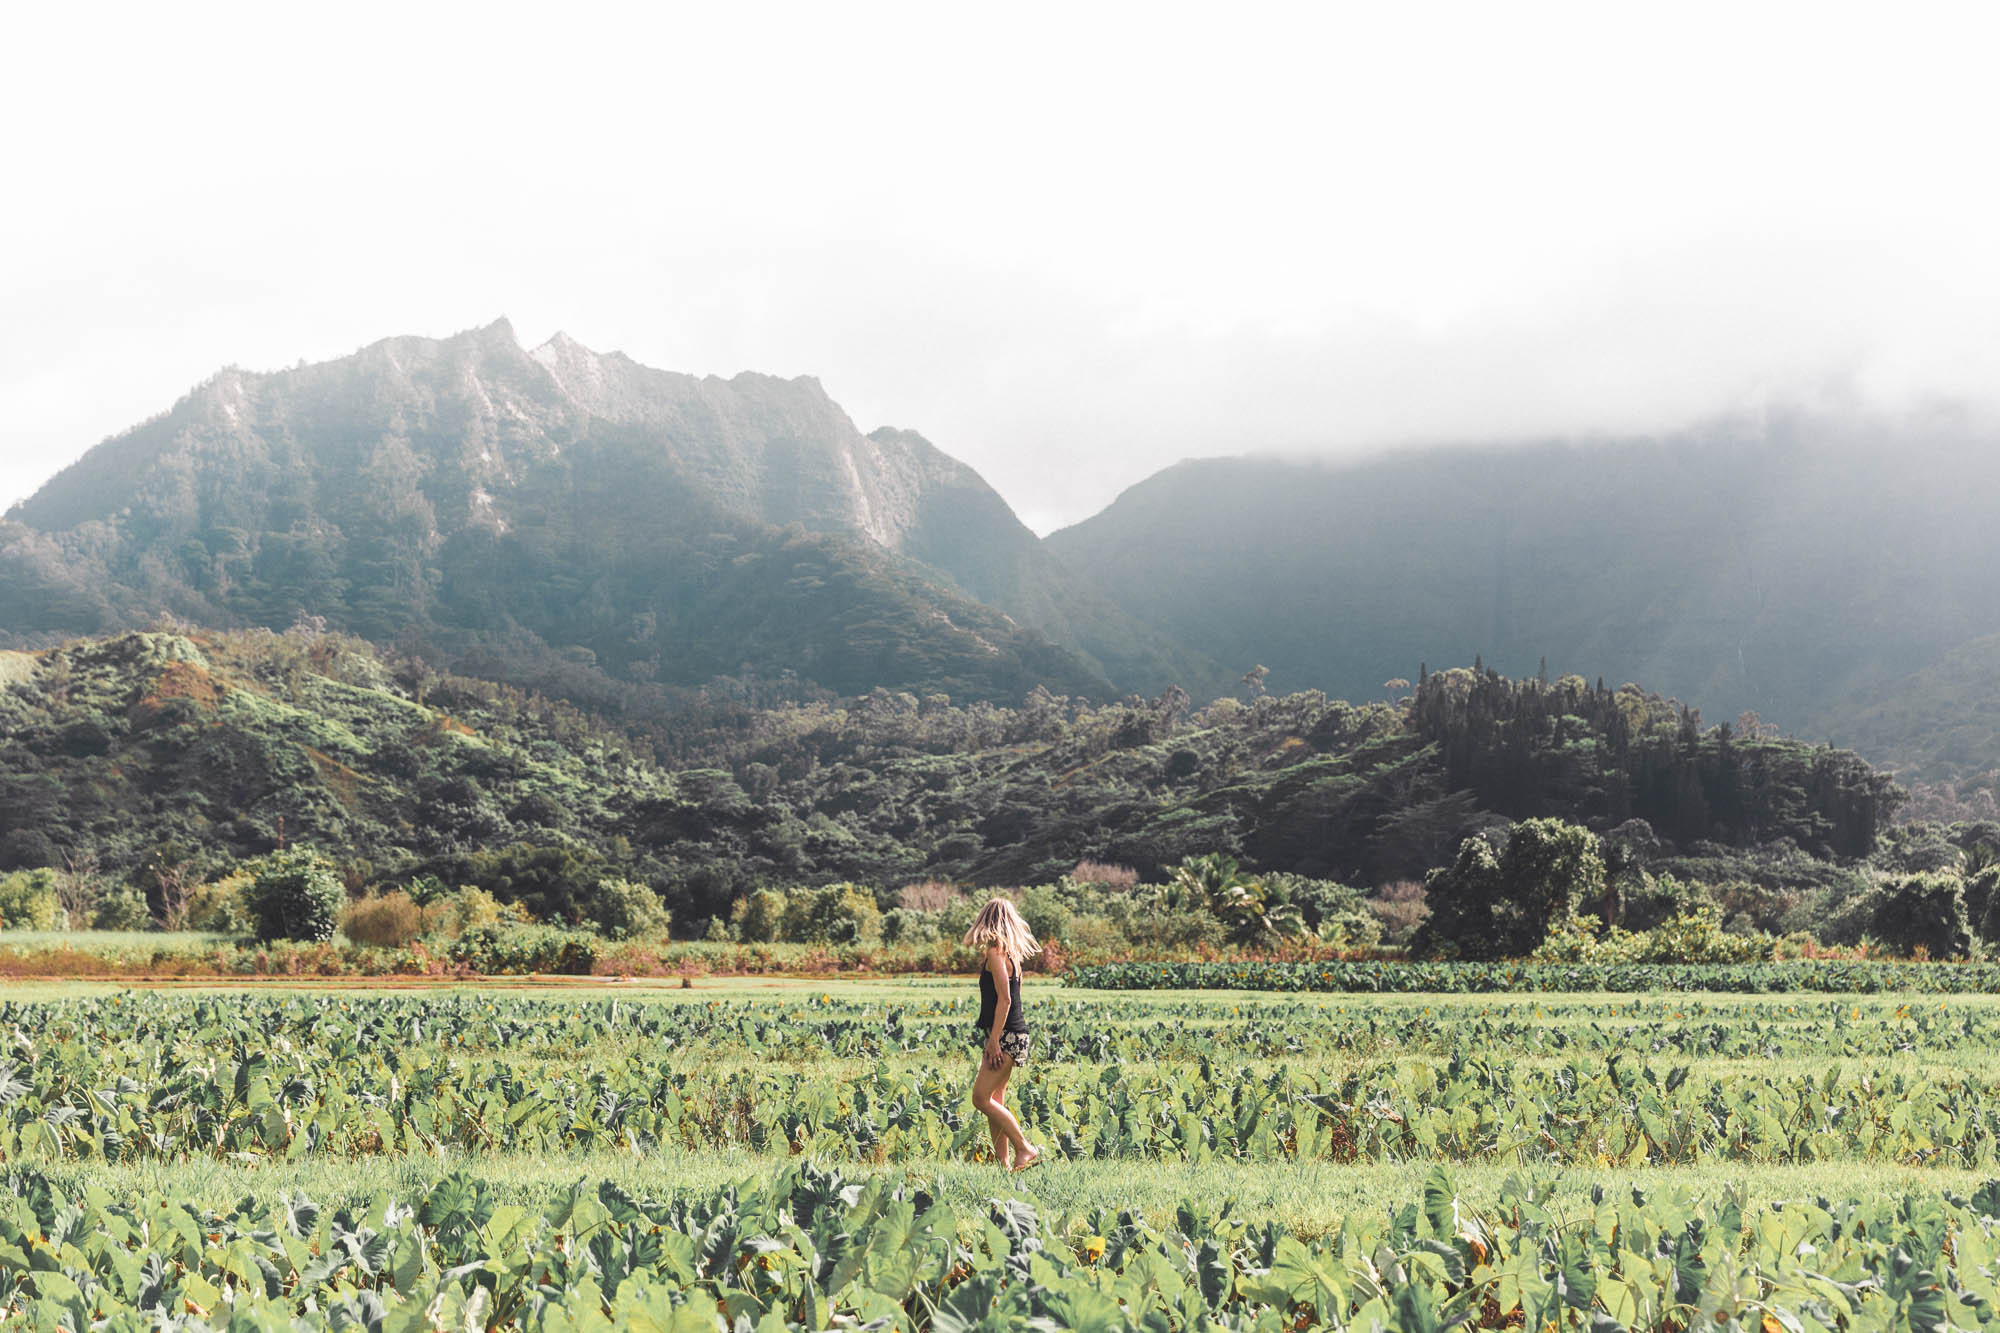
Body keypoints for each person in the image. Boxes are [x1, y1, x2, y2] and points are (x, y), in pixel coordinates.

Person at [963, 897, 1041, 1172]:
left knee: (980, 1098)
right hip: (1013, 1035)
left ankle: (1024, 1148)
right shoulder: (1012, 955)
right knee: (995, 1100)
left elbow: (1005, 1000)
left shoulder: (996, 953)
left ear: (987, 920)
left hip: (1006, 1036)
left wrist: (994, 1040)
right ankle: (1003, 1164)